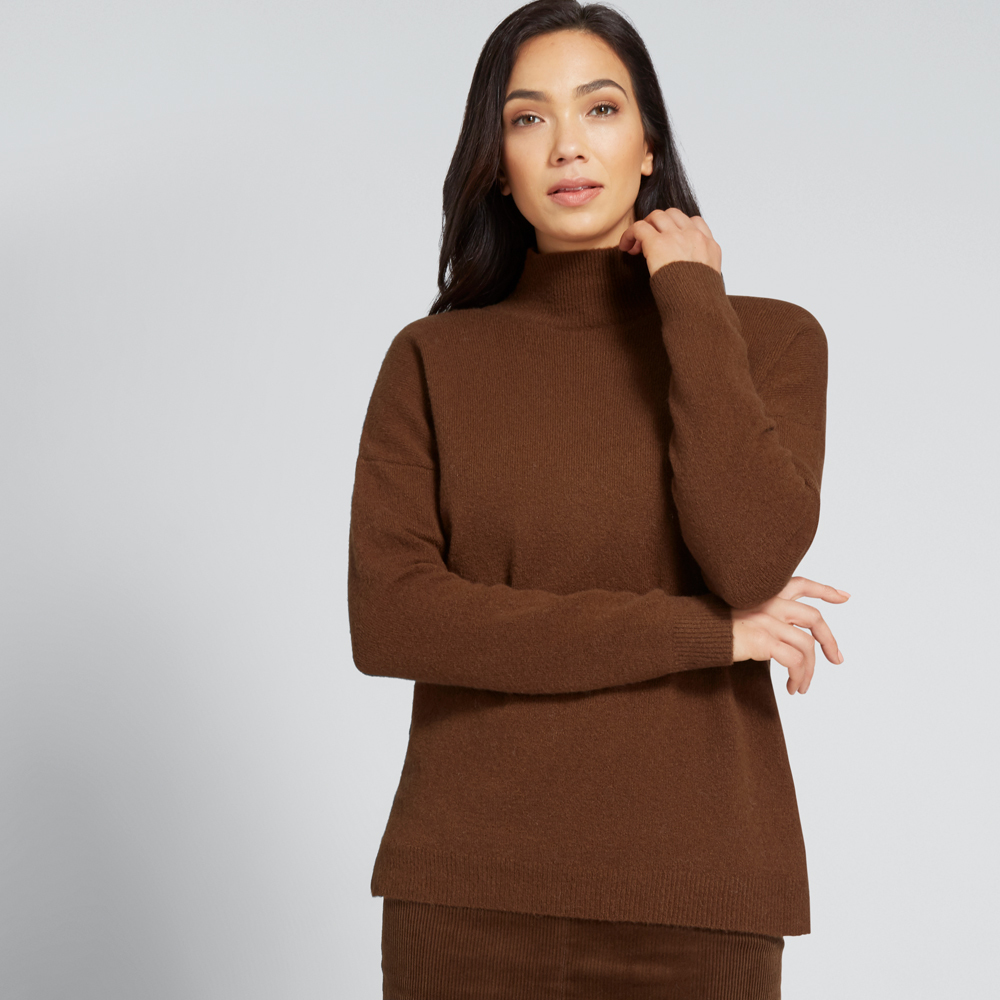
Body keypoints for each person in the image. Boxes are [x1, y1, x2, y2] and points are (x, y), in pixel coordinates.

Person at [347, 1, 849, 996]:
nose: (567, 144)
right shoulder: (433, 360)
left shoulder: (769, 340)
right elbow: (395, 621)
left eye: (601, 108)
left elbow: (748, 557)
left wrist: (692, 302)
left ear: (649, 144)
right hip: (469, 893)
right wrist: (707, 635)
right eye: (528, 117)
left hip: (699, 894)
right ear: (496, 162)